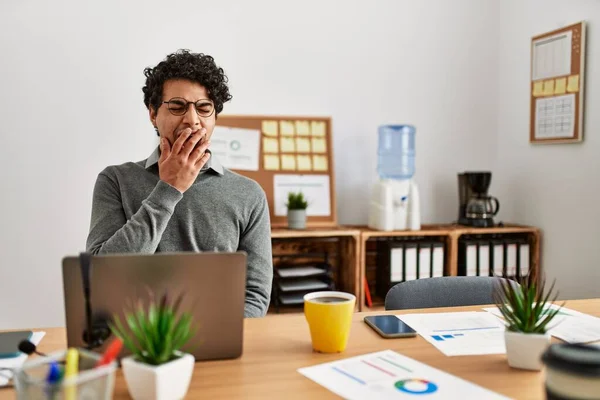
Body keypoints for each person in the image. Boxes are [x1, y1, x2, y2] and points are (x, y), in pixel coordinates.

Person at [86, 49, 273, 318]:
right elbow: (103, 276)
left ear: (214, 117)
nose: (192, 119)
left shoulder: (248, 194)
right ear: (152, 113)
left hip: (219, 343)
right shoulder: (115, 180)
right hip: (136, 341)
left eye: (204, 108)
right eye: (177, 106)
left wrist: (222, 338)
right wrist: (169, 189)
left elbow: (254, 296)